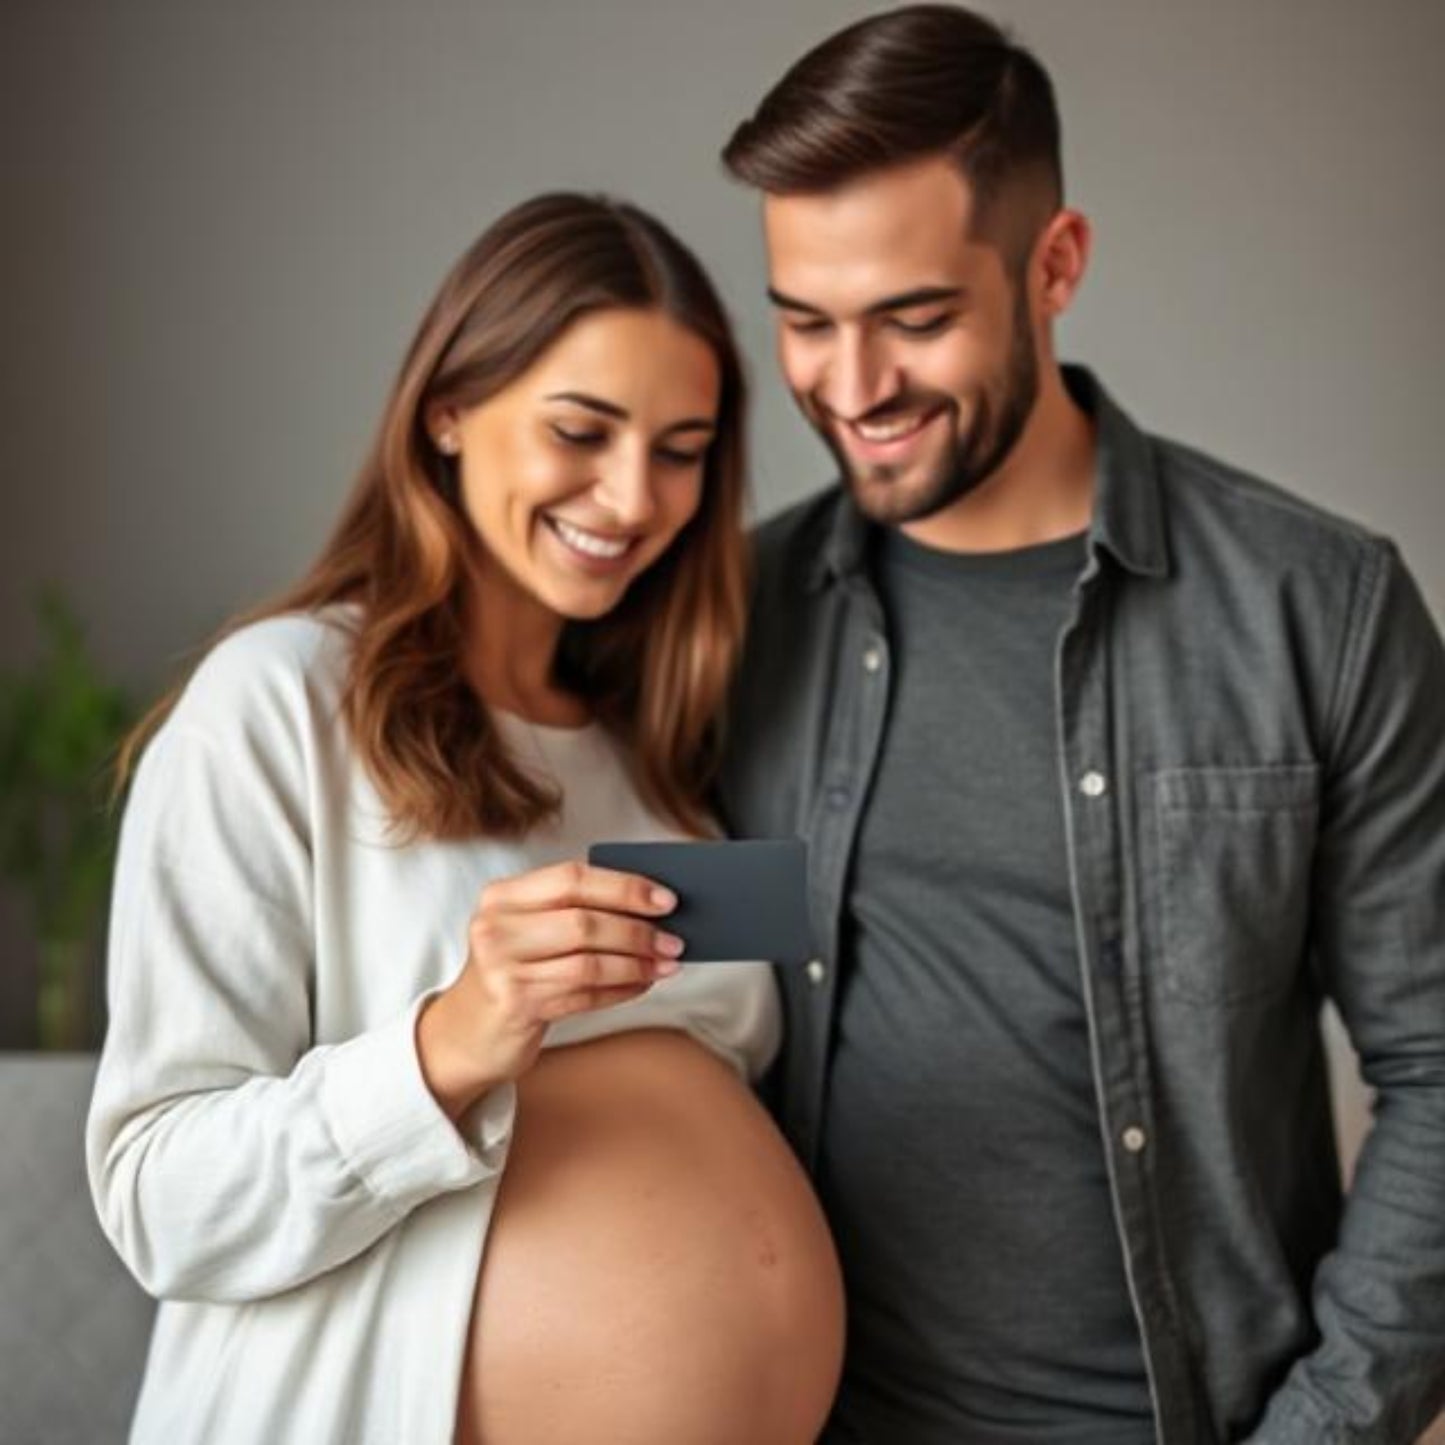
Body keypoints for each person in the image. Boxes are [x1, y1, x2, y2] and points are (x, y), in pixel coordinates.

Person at [713, 6, 1445, 1443]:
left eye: (914, 319)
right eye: (805, 320)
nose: (850, 388)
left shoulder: (1317, 608)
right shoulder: (731, 623)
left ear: (1054, 265)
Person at [86, 192, 845, 1445]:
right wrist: (448, 1042)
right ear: (447, 409)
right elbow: (159, 1196)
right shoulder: (278, 702)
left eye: (680, 449)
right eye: (579, 429)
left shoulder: (657, 753)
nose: (630, 495)